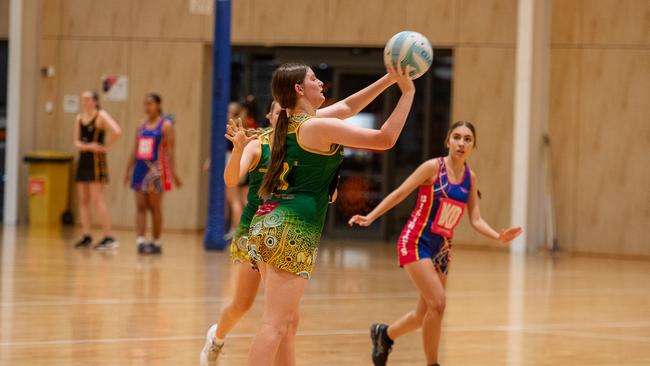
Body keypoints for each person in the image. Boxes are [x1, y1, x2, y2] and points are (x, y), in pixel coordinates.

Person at [243, 62, 415, 366]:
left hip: (269, 221)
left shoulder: (294, 121)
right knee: (274, 324)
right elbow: (384, 139)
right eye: (313, 78)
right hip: (292, 228)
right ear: (299, 89)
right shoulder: (317, 126)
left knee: (287, 322)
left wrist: (389, 78)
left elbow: (349, 106)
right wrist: (408, 93)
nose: (321, 82)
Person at [348, 121, 524, 366]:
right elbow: (400, 193)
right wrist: (371, 216)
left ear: (474, 145)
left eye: (468, 139)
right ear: (448, 141)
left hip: (442, 249)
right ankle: (432, 364)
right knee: (439, 303)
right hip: (415, 241)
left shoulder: (470, 178)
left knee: (424, 315)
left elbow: (475, 219)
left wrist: (498, 236)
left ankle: (384, 335)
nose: (462, 143)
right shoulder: (433, 167)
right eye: (457, 137)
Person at [199, 101, 280, 366]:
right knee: (241, 305)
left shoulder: (304, 145)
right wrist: (237, 150)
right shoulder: (258, 144)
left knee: (281, 315)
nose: (285, 115)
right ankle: (217, 337)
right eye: (279, 111)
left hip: (284, 231)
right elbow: (232, 179)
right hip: (253, 231)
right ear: (269, 116)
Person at [124, 93, 182, 255]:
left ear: (158, 105)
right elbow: (134, 150)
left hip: (156, 170)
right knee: (140, 206)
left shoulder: (166, 125)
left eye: (150, 104)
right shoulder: (140, 126)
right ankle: (140, 241)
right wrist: (128, 170)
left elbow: (171, 151)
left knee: (155, 207)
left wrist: (173, 173)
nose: (147, 107)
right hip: (140, 169)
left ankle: (156, 241)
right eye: (145, 104)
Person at [73, 90, 122, 250]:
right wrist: (87, 146)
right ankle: (87, 235)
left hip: (96, 160)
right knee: (83, 200)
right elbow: (76, 142)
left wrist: (106, 147)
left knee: (97, 199)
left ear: (95, 101)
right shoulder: (79, 118)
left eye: (88, 100)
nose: (85, 103)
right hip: (84, 159)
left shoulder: (101, 115)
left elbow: (117, 131)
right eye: (83, 100)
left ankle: (109, 237)